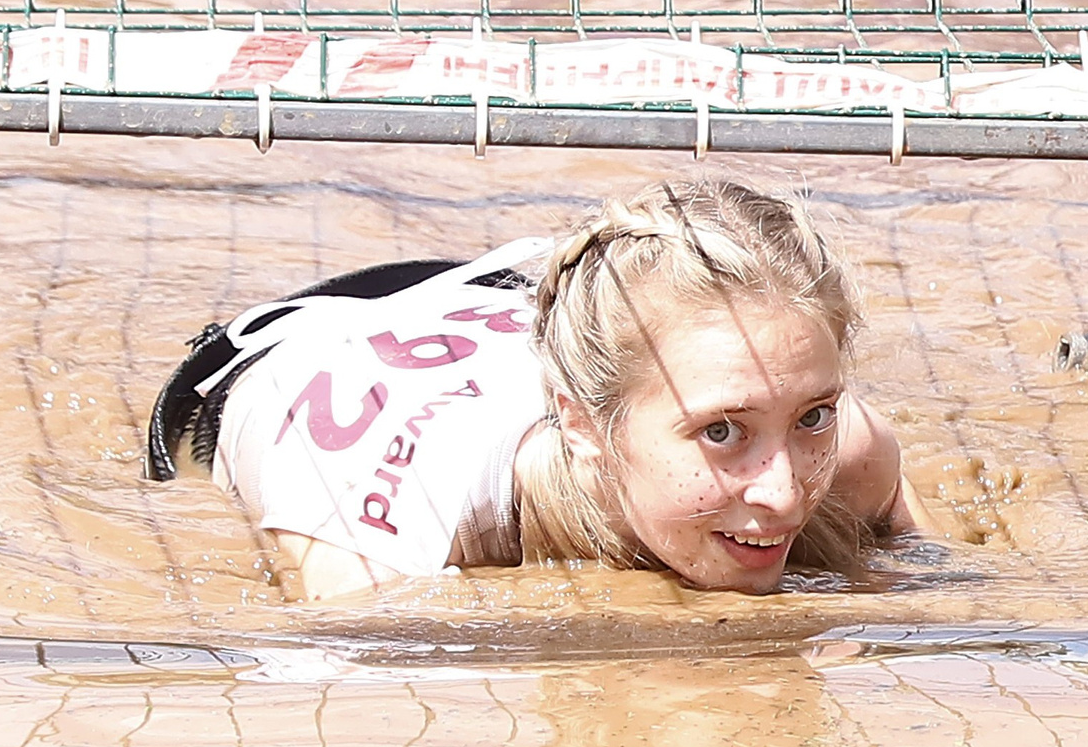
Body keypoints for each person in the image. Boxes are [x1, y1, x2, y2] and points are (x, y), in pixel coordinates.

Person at [144, 178, 929, 600]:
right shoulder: (385, 554)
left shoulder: (851, 451)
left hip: (490, 303)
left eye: (811, 415)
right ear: (581, 424)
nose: (787, 493)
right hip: (287, 351)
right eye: (722, 432)